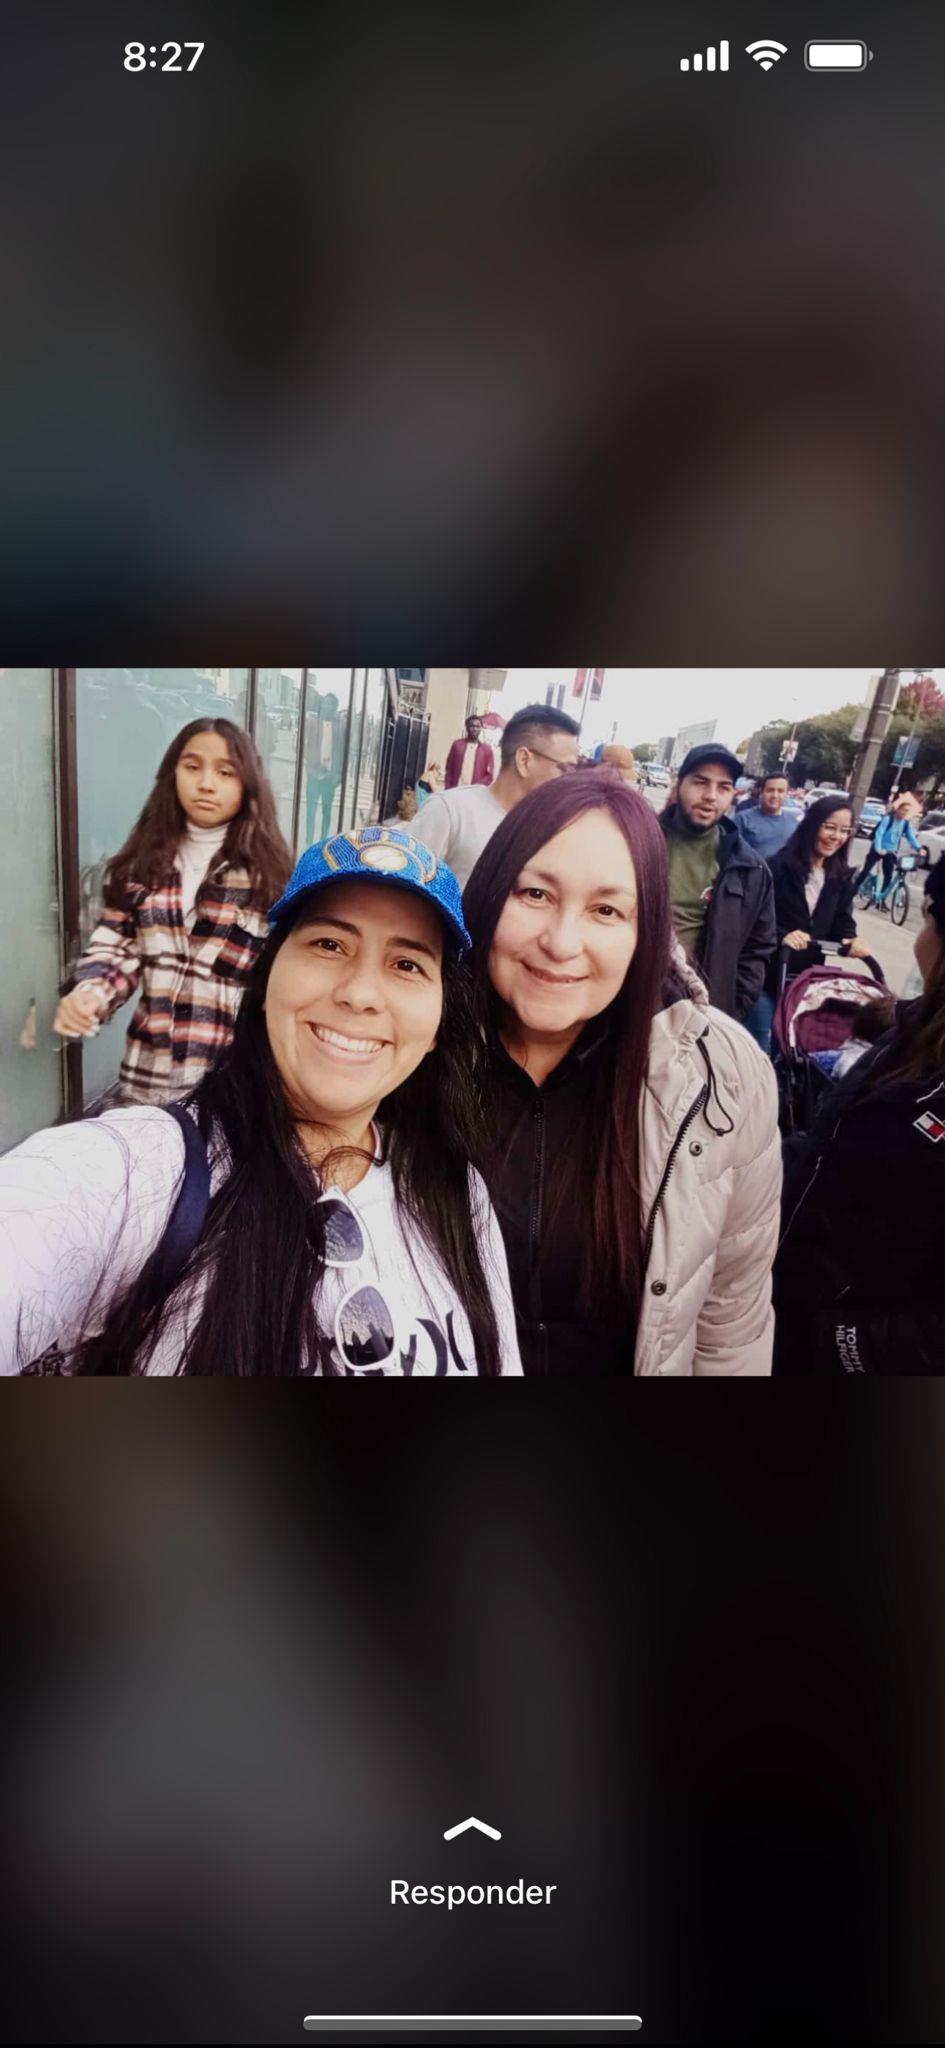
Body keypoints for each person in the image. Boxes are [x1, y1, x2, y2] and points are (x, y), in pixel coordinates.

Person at [1, 828, 522, 1378]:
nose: (360, 994)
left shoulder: (459, 1197)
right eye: (328, 944)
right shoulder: (142, 1174)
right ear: (269, 976)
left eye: (408, 965)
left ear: (440, 1020)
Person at [462, 768, 782, 1375]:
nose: (561, 942)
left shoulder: (723, 1078)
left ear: (647, 932)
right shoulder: (409, 1050)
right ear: (490, 891)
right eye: (535, 894)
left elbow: (731, 1321)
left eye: (607, 910)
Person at [53, 719, 293, 1105]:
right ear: (173, 773)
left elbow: (281, 983)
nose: (206, 783)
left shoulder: (268, 879)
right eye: (192, 766)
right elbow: (119, 949)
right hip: (147, 1077)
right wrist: (89, 994)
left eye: (225, 771)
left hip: (229, 1083)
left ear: (247, 783)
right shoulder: (144, 866)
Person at [773, 856, 945, 1372]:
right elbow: (830, 1149)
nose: (920, 935)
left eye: (929, 916)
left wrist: (844, 1343)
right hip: (793, 1303)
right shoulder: (909, 1033)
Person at [659, 743, 776, 1022]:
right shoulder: (638, 843)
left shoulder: (751, 868)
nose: (711, 796)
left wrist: (731, 1009)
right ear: (679, 785)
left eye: (723, 787)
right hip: (631, 1003)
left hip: (702, 1015)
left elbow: (758, 949)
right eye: (700, 782)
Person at [751, 796, 873, 1057]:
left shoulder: (839, 876)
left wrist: (851, 939)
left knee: (794, 1053)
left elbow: (842, 921)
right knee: (763, 1048)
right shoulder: (777, 867)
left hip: (806, 983)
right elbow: (755, 918)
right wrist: (784, 935)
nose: (836, 836)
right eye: (829, 827)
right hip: (767, 975)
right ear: (812, 825)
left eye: (844, 831)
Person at [411, 703, 581, 889]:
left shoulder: (554, 832)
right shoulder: (450, 811)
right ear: (524, 760)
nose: (571, 779)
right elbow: (402, 893)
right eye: (566, 768)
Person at [855, 792, 922, 897]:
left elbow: (911, 837)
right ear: (898, 809)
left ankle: (881, 899)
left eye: (907, 811)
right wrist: (879, 849)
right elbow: (879, 834)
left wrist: (919, 848)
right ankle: (852, 891)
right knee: (866, 870)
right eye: (903, 810)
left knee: (888, 875)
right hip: (878, 849)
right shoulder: (888, 819)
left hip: (890, 851)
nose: (905, 813)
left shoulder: (906, 823)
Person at [735, 772, 799, 861]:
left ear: (786, 794)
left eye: (780, 791)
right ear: (761, 792)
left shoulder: (794, 824)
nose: (775, 795)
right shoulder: (742, 819)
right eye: (770, 790)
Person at [444, 715, 495, 789]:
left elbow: (489, 776)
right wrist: (447, 788)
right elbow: (449, 769)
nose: (474, 729)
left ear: (481, 728)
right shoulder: (457, 745)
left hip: (474, 793)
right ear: (467, 727)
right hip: (456, 790)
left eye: (477, 726)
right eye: (472, 726)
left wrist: (476, 787)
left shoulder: (486, 749)